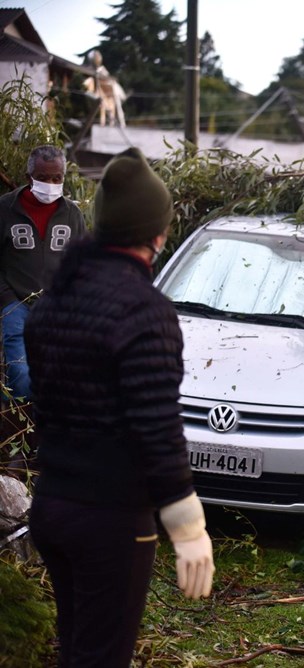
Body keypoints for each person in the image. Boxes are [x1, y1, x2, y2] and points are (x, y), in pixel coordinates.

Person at [25, 147, 214, 667]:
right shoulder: (143, 309)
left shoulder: (55, 301)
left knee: (79, 651)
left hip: (53, 508)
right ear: (155, 232)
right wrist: (188, 523)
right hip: (109, 519)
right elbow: (155, 423)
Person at [0, 144, 86, 402]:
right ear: (29, 178)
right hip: (16, 305)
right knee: (21, 373)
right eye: (43, 178)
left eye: (56, 178)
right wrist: (6, 299)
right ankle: (18, 429)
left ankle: (44, 433)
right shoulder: (5, 209)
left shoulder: (72, 214)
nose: (50, 184)